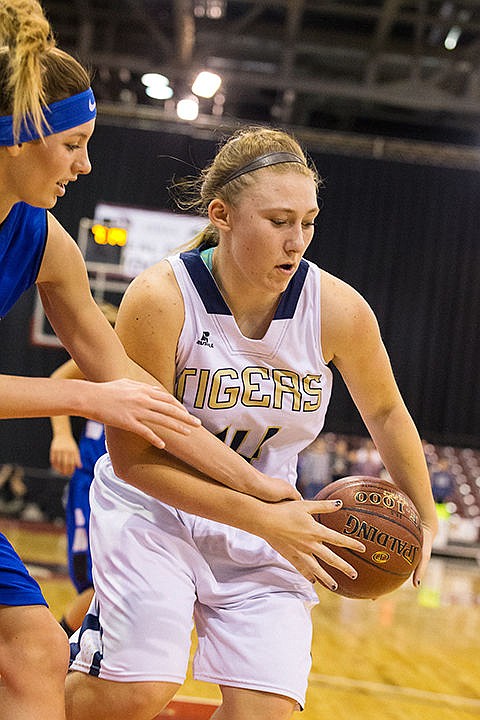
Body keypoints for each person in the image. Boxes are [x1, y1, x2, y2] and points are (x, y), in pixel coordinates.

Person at [0, 3, 326, 718]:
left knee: (34, 648)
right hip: (131, 504)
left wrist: (264, 496)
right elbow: (104, 395)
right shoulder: (154, 290)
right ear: (19, 138)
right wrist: (81, 403)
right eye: (75, 143)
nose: (86, 164)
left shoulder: (49, 245)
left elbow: (141, 395)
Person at [66, 126, 438, 720]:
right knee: (135, 690)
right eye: (279, 221)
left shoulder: (338, 309)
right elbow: (136, 460)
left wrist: (421, 513)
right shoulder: (161, 298)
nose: (298, 242)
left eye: (308, 222)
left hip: (274, 516)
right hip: (158, 506)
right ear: (223, 215)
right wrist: (269, 519)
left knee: (265, 713)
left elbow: (387, 412)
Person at [49, 303, 118, 637]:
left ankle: (68, 650)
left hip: (130, 489)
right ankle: (57, 649)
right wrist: (62, 436)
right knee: (94, 585)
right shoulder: (98, 361)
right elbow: (56, 383)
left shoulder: (144, 360)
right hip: (93, 481)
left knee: (112, 586)